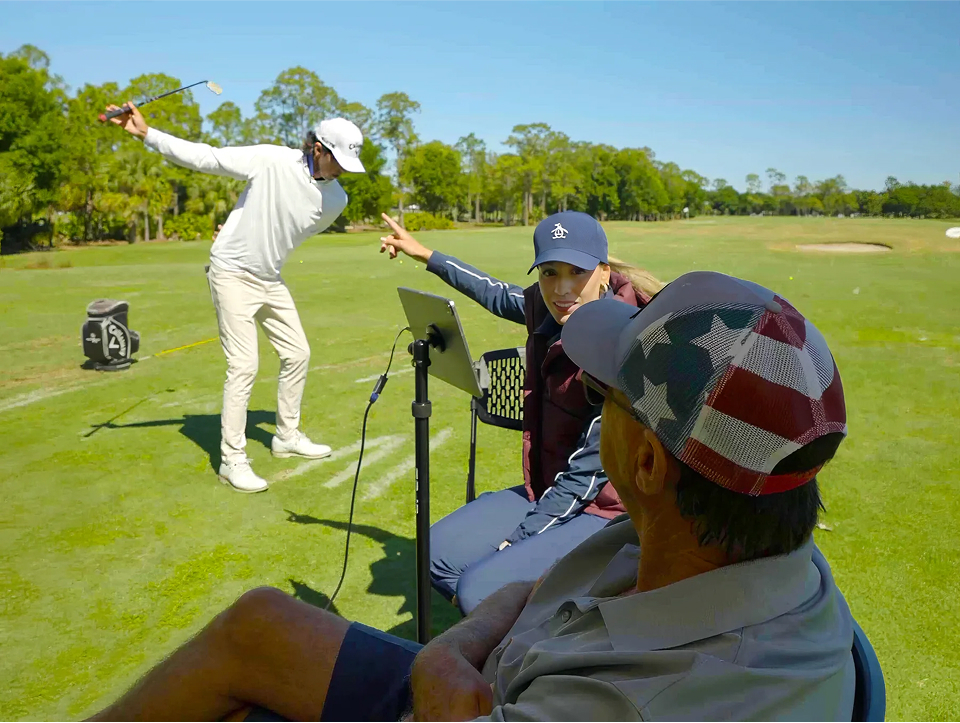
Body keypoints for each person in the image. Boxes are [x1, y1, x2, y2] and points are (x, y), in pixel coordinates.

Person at [89, 270, 855, 722]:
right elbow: (532, 588)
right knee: (259, 621)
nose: (593, 408)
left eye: (605, 395)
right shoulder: (730, 539)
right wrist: (455, 644)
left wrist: (435, 682)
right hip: (486, 674)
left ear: (649, 461)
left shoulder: (645, 703)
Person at [379, 210, 659, 613]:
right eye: (549, 273)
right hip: (546, 487)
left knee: (480, 591)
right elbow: (494, 293)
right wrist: (425, 254)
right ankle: (513, 630)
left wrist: (519, 540)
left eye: (576, 272)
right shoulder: (549, 307)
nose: (562, 289)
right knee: (436, 553)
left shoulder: (623, 345)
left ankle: (529, 638)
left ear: (603, 272)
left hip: (607, 509)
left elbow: (586, 478)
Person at [105, 101, 366, 493]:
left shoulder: (336, 201)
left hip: (269, 277)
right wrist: (147, 134)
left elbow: (284, 228)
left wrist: (236, 228)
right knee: (244, 365)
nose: (343, 170)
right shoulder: (271, 159)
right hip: (231, 272)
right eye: (339, 161)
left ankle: (286, 436)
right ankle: (232, 460)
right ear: (318, 148)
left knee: (298, 353)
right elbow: (207, 158)